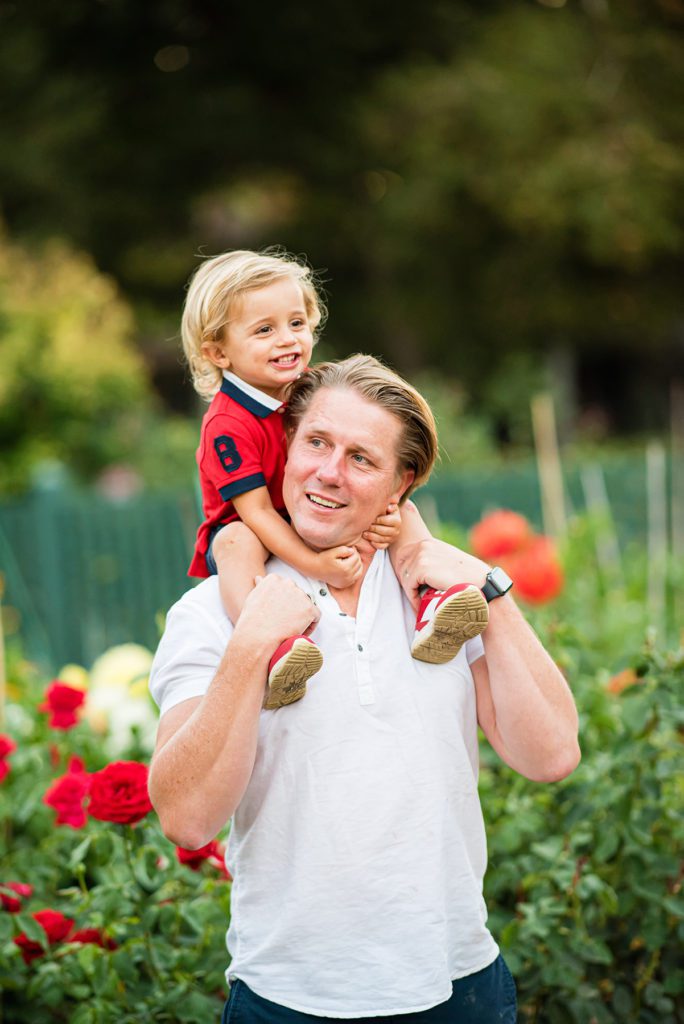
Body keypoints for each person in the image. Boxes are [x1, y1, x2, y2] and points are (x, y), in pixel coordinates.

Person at [148, 354, 581, 1023]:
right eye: (316, 443)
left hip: (459, 983)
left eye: (361, 458)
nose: (328, 471)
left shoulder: (441, 597)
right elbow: (185, 818)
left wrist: (491, 592)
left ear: (400, 485)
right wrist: (249, 648)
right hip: (290, 997)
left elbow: (550, 755)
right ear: (285, 448)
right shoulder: (212, 613)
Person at [180, 250, 490, 710]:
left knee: (401, 511)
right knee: (236, 542)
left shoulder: (306, 391)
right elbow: (258, 511)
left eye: (296, 324)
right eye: (264, 330)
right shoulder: (227, 424)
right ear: (217, 352)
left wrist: (382, 517)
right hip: (249, 525)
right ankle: (269, 648)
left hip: (304, 509)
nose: (287, 340)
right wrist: (317, 564)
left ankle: (430, 601)